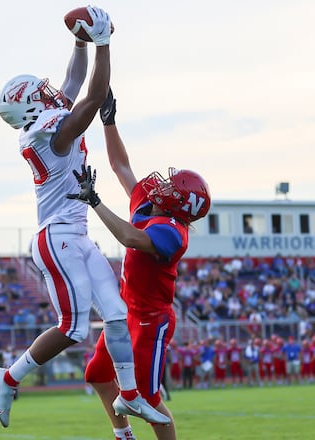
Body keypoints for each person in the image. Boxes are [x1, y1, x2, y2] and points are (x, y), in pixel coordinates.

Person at [0, 7, 168, 430]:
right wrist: (104, 41)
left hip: (75, 233)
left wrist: (80, 40)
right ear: (31, 104)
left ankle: (129, 397)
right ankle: (9, 378)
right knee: (73, 327)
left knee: (117, 315)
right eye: (42, 91)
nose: (52, 91)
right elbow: (89, 97)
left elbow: (72, 83)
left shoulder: (43, 121)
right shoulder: (52, 132)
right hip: (58, 236)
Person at [77, 86, 212, 438]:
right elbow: (121, 166)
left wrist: (95, 202)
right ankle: (123, 436)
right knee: (97, 375)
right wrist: (109, 121)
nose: (163, 185)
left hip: (151, 321)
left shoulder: (172, 230)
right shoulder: (151, 206)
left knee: (149, 400)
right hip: (126, 312)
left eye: (172, 187)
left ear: (177, 204)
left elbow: (131, 238)